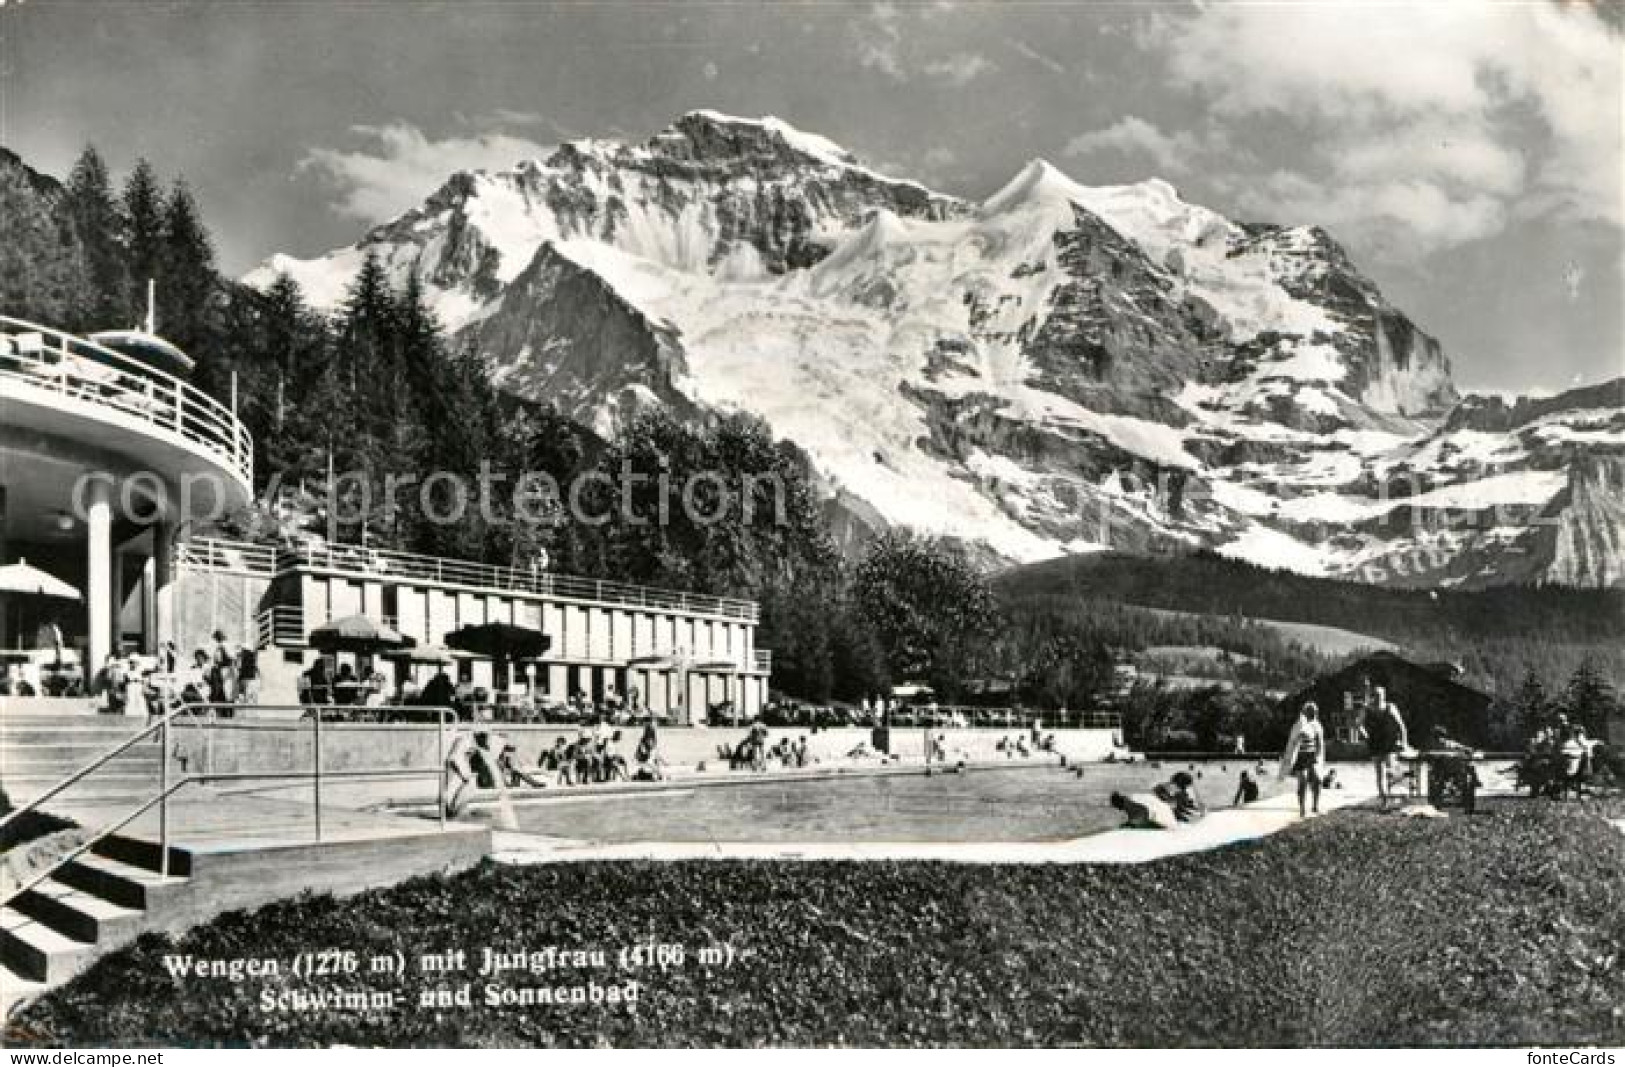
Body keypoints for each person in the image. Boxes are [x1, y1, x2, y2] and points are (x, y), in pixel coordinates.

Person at [1360, 689, 1409, 809]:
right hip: (1375, 742)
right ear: (1373, 696)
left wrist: (1404, 742)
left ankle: (1400, 793)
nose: (1378, 698)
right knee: (1379, 773)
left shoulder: (1390, 707)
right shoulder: (1367, 709)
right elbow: (1358, 724)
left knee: (1391, 770)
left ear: (1384, 696)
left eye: (1380, 695)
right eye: (1376, 695)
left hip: (1389, 742)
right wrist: (1365, 735)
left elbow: (1401, 725)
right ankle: (1384, 801)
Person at [1279, 701, 1326, 818]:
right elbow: (1292, 741)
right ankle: (1302, 809)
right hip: (1300, 757)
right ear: (1306, 712)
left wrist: (1318, 757)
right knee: (1303, 782)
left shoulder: (1317, 725)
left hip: (1312, 756)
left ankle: (1315, 806)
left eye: (1315, 712)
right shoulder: (1299, 725)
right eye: (1311, 711)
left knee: (1317, 780)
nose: (1314, 714)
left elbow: (1320, 742)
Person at [1109, 790, 1178, 830]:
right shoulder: (1133, 798)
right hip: (1167, 818)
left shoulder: (1130, 803)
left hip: (1164, 824)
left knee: (1129, 826)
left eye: (1117, 806)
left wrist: (1129, 825)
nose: (1119, 809)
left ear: (1120, 802)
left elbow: (1143, 813)